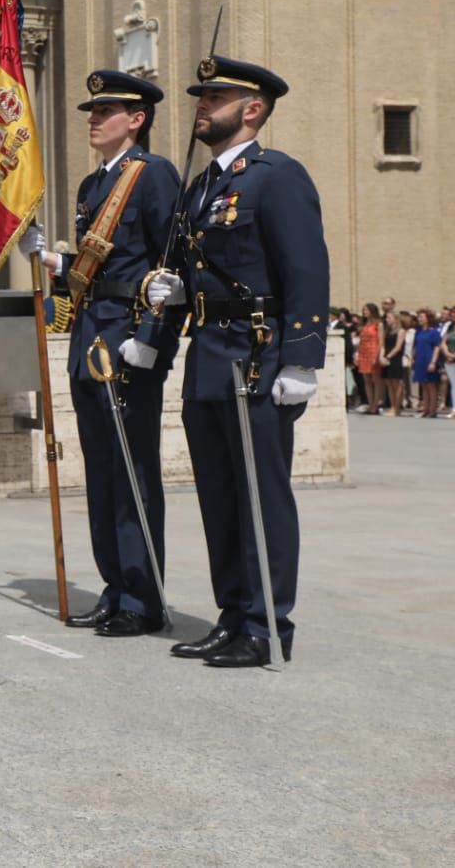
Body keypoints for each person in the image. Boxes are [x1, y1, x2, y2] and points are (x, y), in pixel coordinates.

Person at [147, 56, 329, 668]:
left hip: (258, 354)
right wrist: (170, 302)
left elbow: (305, 267)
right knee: (220, 495)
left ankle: (267, 622)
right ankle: (233, 615)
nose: (202, 103)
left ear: (252, 109)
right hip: (209, 355)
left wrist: (303, 358)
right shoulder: (201, 186)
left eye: (217, 96)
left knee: (261, 494)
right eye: (202, 95)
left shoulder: (276, 176)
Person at [19, 70, 181, 637]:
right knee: (101, 472)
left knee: (133, 471)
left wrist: (151, 340)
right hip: (90, 336)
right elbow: (94, 275)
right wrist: (51, 262)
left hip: (128, 344)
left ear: (136, 120)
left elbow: (170, 268)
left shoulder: (154, 176)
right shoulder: (93, 187)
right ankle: (115, 585)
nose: (94, 117)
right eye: (92, 109)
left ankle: (143, 597)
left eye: (106, 110)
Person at [412, 308, 443, 418]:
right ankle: (425, 409)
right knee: (424, 386)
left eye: (421, 317)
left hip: (429, 360)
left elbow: (437, 347)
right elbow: (416, 346)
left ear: (428, 318)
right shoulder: (419, 331)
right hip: (420, 360)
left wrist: (433, 362)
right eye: (418, 317)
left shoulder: (434, 332)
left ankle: (432, 410)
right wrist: (413, 357)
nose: (419, 319)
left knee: (431, 386)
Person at [355, 302, 383, 414]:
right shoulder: (364, 324)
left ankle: (375, 405)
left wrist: (377, 355)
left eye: (366, 310)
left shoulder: (378, 324)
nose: (364, 312)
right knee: (366, 380)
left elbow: (381, 341)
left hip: (373, 352)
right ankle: (370, 403)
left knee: (375, 380)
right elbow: (360, 340)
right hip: (363, 352)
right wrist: (357, 354)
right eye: (363, 310)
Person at [379, 309, 406, 416]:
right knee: (389, 383)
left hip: (395, 358)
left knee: (396, 383)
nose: (387, 320)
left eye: (389, 318)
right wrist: (382, 356)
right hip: (386, 357)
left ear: (396, 319)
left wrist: (388, 357)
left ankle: (397, 408)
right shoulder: (387, 331)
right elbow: (383, 345)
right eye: (387, 318)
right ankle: (392, 406)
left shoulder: (401, 331)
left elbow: (398, 347)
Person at [443, 305, 455, 419]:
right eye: (452, 312)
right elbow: (443, 342)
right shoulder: (450, 326)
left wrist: (454, 355)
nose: (453, 314)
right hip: (449, 360)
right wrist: (447, 353)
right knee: (454, 385)